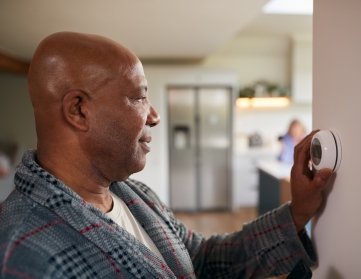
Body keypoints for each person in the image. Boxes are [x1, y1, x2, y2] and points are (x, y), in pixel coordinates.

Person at [0, 32, 332, 278]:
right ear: (79, 110)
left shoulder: (134, 194)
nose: (154, 116)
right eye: (138, 97)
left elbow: (203, 259)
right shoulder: (23, 255)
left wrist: (297, 213)